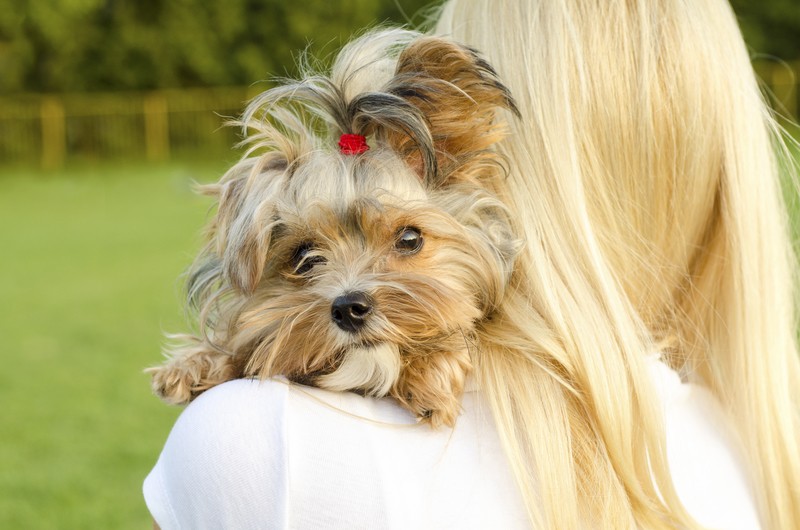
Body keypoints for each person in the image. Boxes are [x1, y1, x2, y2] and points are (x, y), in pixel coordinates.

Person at [144, 1, 800, 528]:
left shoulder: (255, 440)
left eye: (405, 242)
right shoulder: (754, 447)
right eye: (308, 258)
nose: (349, 291)